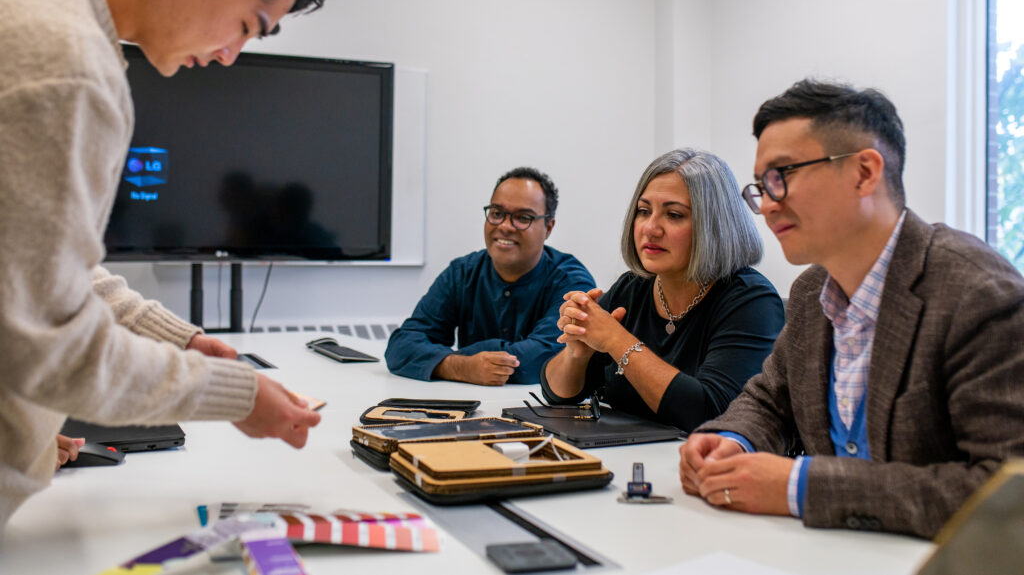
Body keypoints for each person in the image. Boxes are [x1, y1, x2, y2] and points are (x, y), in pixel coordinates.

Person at [0, 0, 328, 528]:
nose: (232, 55)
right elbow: (51, 350)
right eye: (248, 24)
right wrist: (235, 396)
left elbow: (37, 261)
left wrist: (178, 339)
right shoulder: (68, 67)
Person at [678, 79, 1024, 539]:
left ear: (865, 172)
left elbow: (1007, 494)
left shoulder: (976, 292)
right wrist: (730, 440)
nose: (768, 204)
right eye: (761, 185)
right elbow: (768, 400)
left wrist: (799, 487)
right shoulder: (810, 293)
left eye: (784, 175)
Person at [542, 149, 784, 431]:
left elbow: (711, 412)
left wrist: (615, 340)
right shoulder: (632, 287)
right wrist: (577, 354)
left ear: (715, 226)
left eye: (673, 214)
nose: (651, 228)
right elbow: (558, 395)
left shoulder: (752, 301)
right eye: (643, 211)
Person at [386, 167, 595, 385]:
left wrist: (448, 358)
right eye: (496, 214)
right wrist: (459, 367)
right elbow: (401, 346)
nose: (505, 226)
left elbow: (541, 359)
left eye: (523, 218)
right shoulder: (462, 273)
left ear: (548, 227)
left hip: (542, 411)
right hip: (469, 407)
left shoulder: (572, 283)